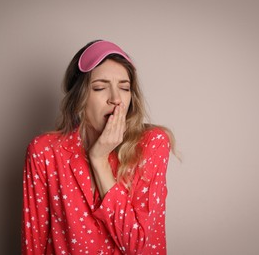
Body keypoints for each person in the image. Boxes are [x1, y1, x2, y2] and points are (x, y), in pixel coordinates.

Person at [21, 40, 180, 254]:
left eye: (124, 88)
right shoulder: (44, 152)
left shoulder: (152, 143)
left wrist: (99, 161)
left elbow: (138, 246)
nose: (115, 99)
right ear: (80, 98)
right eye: (100, 88)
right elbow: (34, 244)